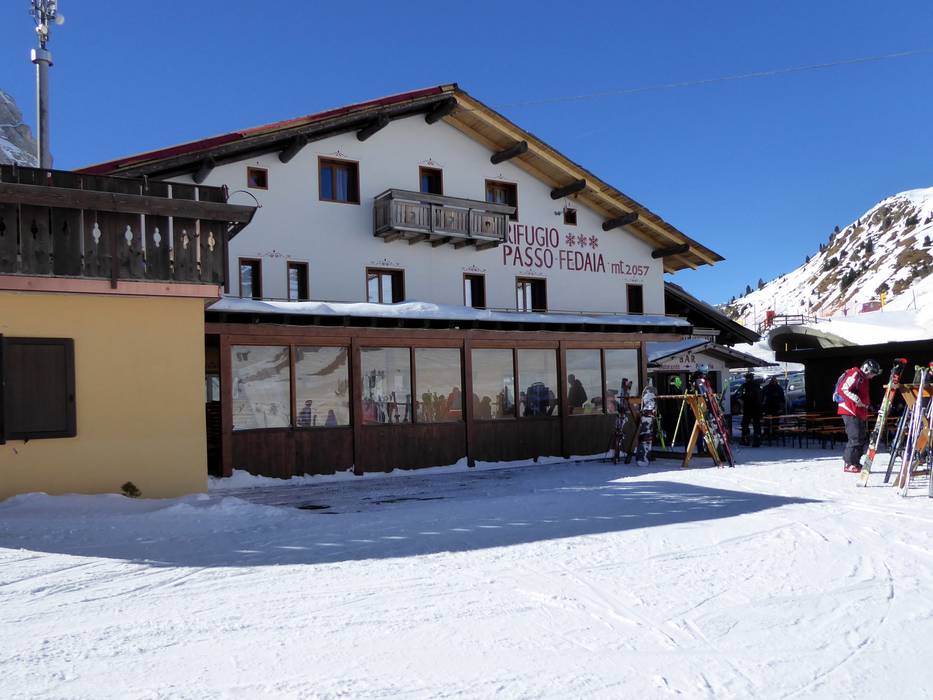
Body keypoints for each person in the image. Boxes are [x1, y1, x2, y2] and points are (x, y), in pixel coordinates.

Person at [837, 359, 881, 473]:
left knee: (861, 437)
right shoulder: (855, 374)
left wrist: (868, 406)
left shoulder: (863, 379)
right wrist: (857, 400)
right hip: (849, 410)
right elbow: (843, 389)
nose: (872, 376)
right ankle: (849, 463)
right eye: (872, 373)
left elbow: (863, 395)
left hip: (857, 411)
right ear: (866, 369)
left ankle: (855, 462)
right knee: (855, 437)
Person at [739, 373, 762, 447]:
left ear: (747, 378)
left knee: (745, 424)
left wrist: (742, 402)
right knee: (756, 424)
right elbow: (760, 397)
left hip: (748, 408)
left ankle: (746, 439)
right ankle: (757, 440)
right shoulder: (757, 386)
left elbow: (742, 396)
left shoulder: (745, 386)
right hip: (757, 408)